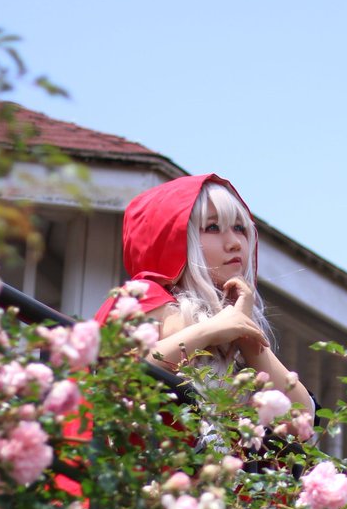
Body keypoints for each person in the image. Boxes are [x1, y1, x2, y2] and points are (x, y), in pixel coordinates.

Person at [95, 174, 312, 409]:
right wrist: (210, 330)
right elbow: (115, 375)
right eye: (212, 227)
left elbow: (302, 417)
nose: (235, 243)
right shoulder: (141, 296)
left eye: (239, 228)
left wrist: (246, 335)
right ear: (173, 238)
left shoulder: (235, 319)